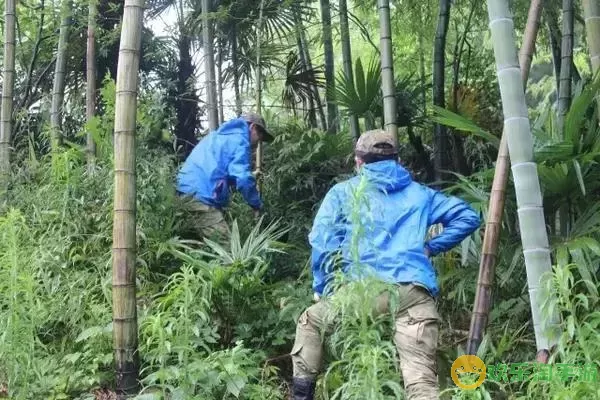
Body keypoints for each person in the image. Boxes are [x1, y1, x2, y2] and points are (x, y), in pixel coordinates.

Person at [289, 129, 481, 400]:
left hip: (363, 292)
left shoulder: (343, 193)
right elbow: (468, 216)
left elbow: (323, 245)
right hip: (413, 294)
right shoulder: (420, 194)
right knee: (421, 383)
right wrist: (430, 247)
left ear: (359, 161)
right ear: (397, 160)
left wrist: (322, 287)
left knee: (310, 322)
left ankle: (301, 396)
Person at [175, 112, 274, 241]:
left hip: (183, 192)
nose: (258, 142)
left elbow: (220, 171)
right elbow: (243, 179)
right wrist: (256, 204)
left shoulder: (219, 136)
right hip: (201, 198)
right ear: (253, 127)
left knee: (195, 247)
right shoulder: (240, 140)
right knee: (227, 251)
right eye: (260, 136)